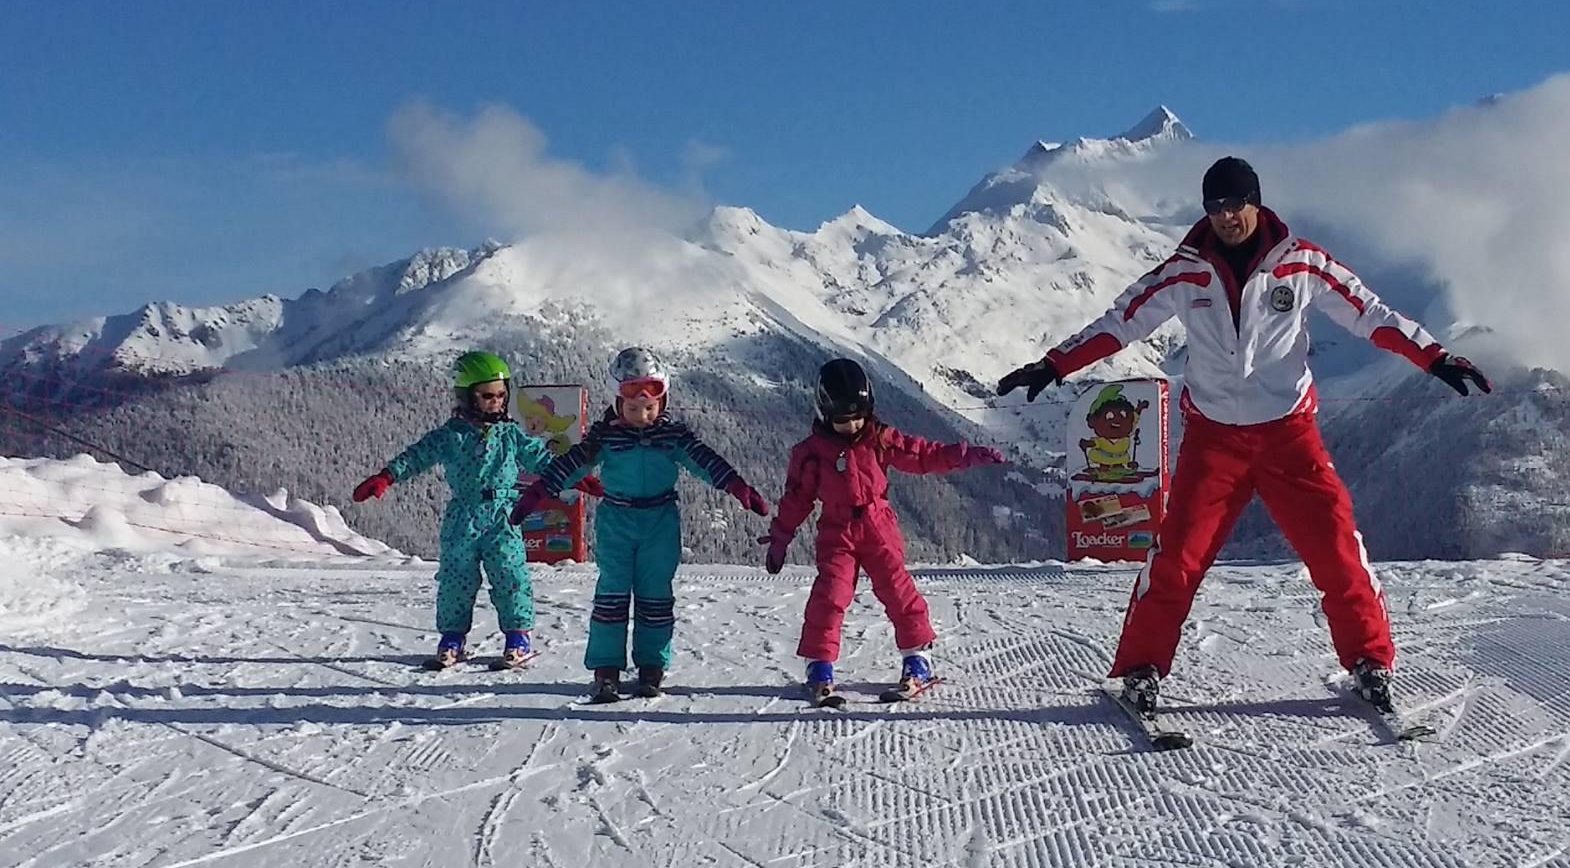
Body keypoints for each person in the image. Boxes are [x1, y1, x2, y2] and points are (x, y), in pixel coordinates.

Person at [995, 156, 1491, 716]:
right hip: (1215, 440)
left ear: (1255, 201)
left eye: (1235, 204)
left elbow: (1368, 313)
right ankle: (1140, 669)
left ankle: (1369, 661)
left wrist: (1433, 358)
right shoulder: (1184, 271)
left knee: (1335, 545)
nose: (1226, 216)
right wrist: (1055, 366)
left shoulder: (1301, 263)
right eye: (1215, 207)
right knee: (1177, 557)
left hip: (1289, 436)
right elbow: (1120, 321)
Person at [511, 347, 769, 702]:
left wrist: (737, 486)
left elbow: (704, 461)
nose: (642, 416)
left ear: (662, 404)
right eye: (633, 408)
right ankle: (606, 671)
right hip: (618, 519)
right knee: (612, 594)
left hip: (660, 521)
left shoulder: (672, 437)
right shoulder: (605, 438)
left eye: (650, 408)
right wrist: (537, 493)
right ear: (618, 404)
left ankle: (651, 667)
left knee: (655, 596)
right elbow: (569, 466)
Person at [761, 358, 1005, 705]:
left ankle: (917, 658)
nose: (852, 425)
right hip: (837, 529)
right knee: (829, 596)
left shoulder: (880, 439)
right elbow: (797, 498)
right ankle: (819, 666)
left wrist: (963, 455)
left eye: (858, 416)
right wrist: (781, 535)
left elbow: (923, 455)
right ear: (824, 413)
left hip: (877, 524)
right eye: (842, 420)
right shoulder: (811, 453)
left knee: (897, 590)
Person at [353, 350, 593, 669]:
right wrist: (387, 476)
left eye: (500, 395)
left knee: (511, 575)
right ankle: (453, 637)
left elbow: (543, 459)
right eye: (486, 396)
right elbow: (417, 456)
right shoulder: (451, 435)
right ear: (468, 397)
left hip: (504, 514)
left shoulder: (510, 434)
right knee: (456, 577)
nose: (495, 402)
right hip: (463, 515)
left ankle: (517, 636)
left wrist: (575, 476)